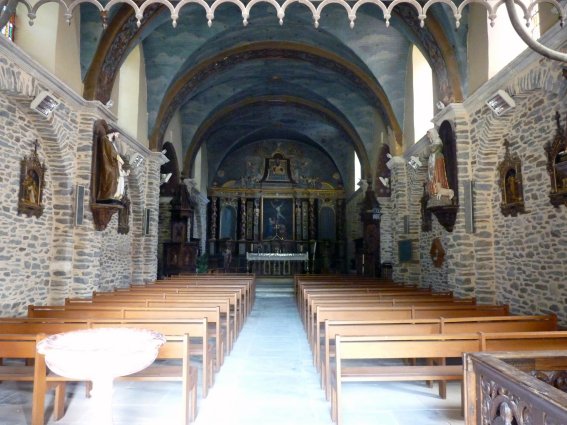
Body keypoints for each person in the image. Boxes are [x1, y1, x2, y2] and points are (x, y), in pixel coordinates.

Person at [426, 128, 450, 198]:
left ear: (433, 134)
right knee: (434, 175)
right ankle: (434, 190)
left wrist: (429, 148)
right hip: (434, 160)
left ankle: (439, 189)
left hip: (437, 160)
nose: (429, 137)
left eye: (430, 135)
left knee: (438, 174)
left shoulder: (438, 141)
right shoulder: (433, 143)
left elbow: (433, 150)